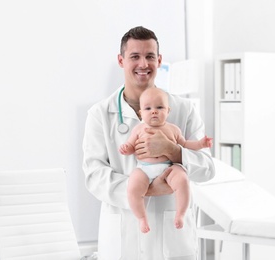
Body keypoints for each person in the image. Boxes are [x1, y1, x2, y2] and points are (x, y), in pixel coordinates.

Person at [82, 26, 215, 260]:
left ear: (159, 60)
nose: (143, 64)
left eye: (150, 56)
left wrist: (173, 150)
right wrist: (146, 190)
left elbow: (207, 169)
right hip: (122, 237)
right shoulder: (100, 114)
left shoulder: (183, 110)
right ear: (121, 61)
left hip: (173, 240)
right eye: (135, 56)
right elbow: (94, 175)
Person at [119, 87, 213, 233]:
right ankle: (142, 218)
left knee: (182, 180)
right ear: (141, 113)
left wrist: (201, 144)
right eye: (148, 108)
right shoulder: (138, 129)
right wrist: (126, 148)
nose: (154, 111)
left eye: (159, 107)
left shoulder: (174, 129)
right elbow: (131, 145)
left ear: (168, 111)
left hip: (169, 168)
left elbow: (186, 145)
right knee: (133, 187)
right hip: (144, 168)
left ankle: (180, 214)